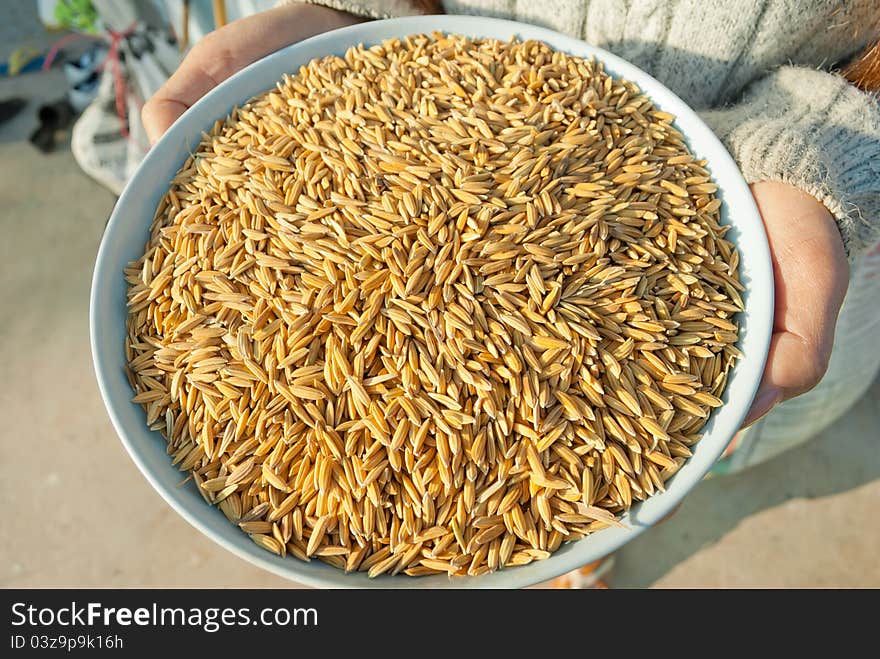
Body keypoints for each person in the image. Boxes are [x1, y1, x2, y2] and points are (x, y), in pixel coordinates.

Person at [141, 0, 880, 586]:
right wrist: (365, 13)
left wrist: (829, 144)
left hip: (766, 236)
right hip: (440, 91)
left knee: (663, 466)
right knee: (595, 502)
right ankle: (574, 562)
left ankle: (575, 565)